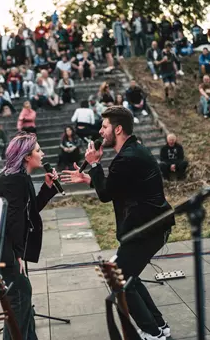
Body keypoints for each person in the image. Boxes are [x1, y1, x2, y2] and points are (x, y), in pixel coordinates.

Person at [61, 107, 174, 340]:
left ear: (118, 128)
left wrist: (94, 165)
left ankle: (152, 333)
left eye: (104, 127)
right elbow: (114, 187)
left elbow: (106, 194)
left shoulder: (128, 157)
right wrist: (90, 178)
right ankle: (159, 326)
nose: (100, 131)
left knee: (118, 278)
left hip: (147, 229)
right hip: (147, 227)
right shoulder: (131, 151)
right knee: (127, 276)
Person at [0, 133, 58, 340]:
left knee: (22, 294)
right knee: (18, 297)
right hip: (2, 248)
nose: (42, 153)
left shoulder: (20, 177)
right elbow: (12, 222)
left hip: (6, 247)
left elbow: (30, 210)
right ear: (27, 156)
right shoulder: (14, 180)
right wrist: (17, 254)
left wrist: (47, 187)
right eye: (38, 150)